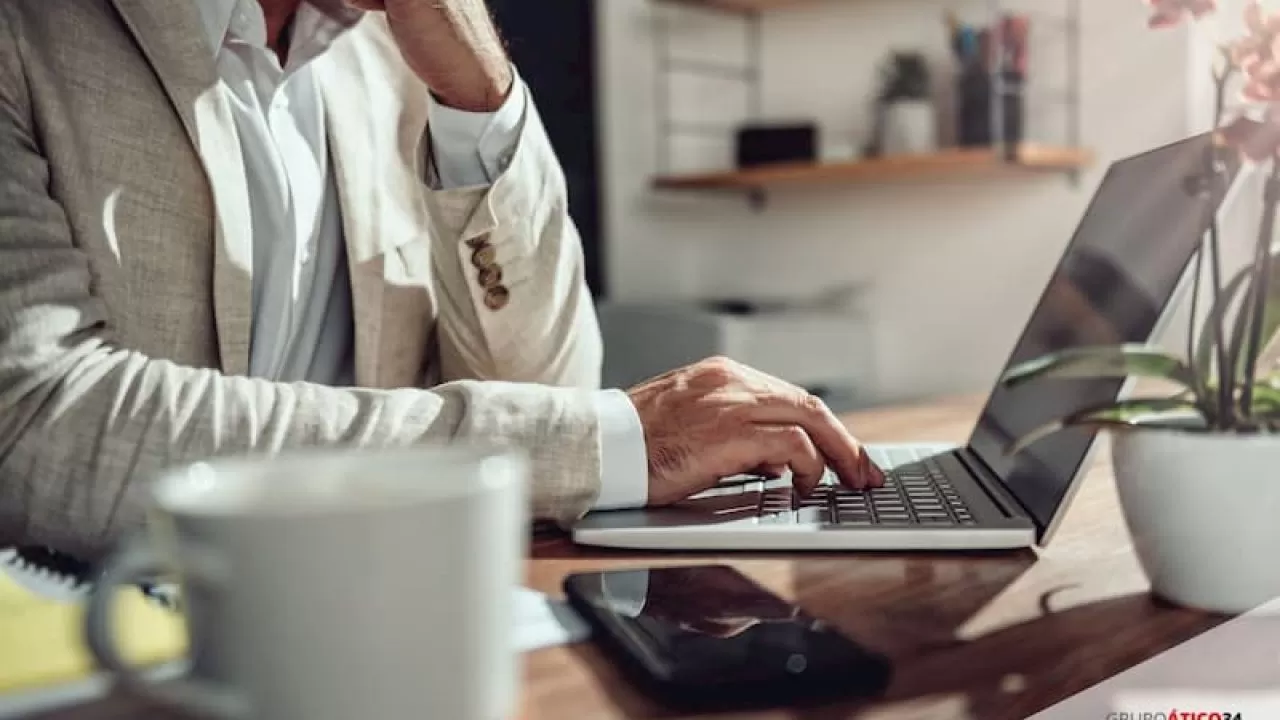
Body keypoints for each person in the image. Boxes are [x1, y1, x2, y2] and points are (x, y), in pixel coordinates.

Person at [0, 0, 883, 560]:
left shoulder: (391, 54)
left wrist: (481, 93)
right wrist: (603, 443)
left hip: (392, 609)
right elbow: (31, 427)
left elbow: (547, 388)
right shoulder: (28, 34)